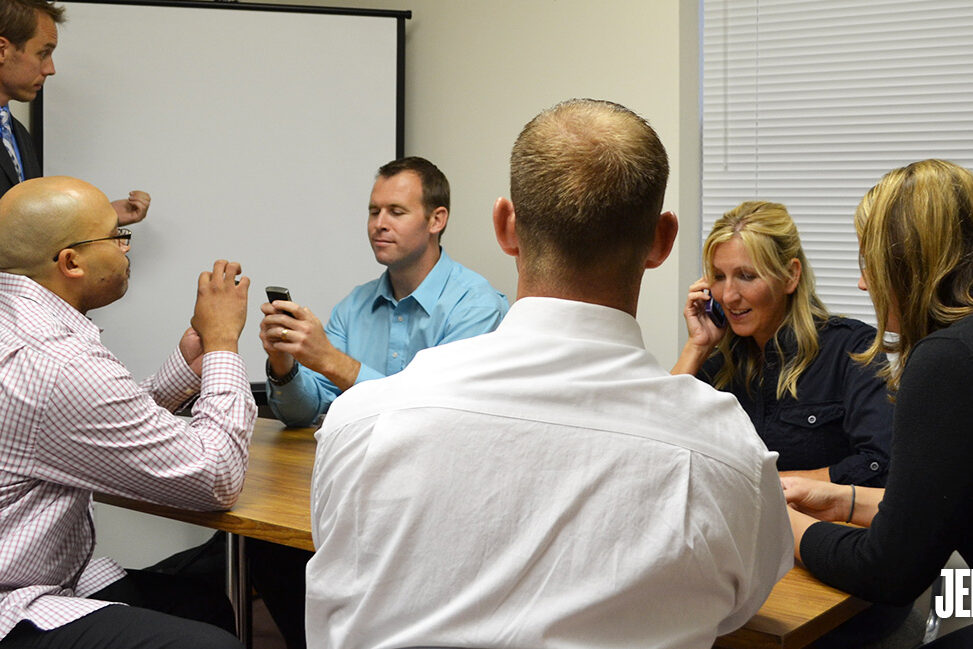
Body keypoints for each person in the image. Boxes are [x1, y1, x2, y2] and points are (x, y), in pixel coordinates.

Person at [305, 99, 792, 649]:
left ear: (505, 226)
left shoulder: (361, 423)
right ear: (662, 241)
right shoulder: (730, 457)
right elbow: (739, 607)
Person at [0, 176, 255, 649]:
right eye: (116, 236)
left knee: (200, 603)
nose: (125, 248)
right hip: (12, 599)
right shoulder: (58, 361)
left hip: (31, 565)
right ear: (71, 262)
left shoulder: (20, 324)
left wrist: (189, 367)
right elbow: (217, 476)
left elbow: (84, 423)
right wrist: (223, 344)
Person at [785, 159, 973, 647]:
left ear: (909, 263)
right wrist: (841, 499)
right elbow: (936, 506)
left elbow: (889, 570)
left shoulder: (947, 360)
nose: (864, 283)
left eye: (870, 262)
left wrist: (779, 523)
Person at [260, 155, 508, 427]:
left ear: (436, 220)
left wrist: (330, 360)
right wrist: (283, 364)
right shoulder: (353, 307)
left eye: (396, 212)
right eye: (374, 211)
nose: (379, 224)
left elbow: (435, 415)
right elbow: (302, 413)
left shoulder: (476, 307)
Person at [672, 201, 892, 487]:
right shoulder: (718, 364)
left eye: (746, 276)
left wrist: (764, 486)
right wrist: (697, 346)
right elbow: (656, 446)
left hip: (817, 516)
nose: (728, 296)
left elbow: (878, 464)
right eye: (719, 277)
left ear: (790, 276)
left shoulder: (851, 349)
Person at [0, 0, 151, 223]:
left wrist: (100, 217)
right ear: (2, 50)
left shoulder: (18, 134)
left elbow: (26, 227)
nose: (50, 69)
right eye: (43, 53)